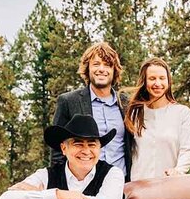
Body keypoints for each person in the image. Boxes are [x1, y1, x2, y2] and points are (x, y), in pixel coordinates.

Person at [0, 114, 124, 199]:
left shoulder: (113, 174)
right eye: (78, 144)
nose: (86, 151)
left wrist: (44, 196)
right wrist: (58, 197)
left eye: (92, 144)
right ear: (64, 148)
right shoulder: (46, 175)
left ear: (99, 148)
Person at [52, 42, 133, 179]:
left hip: (121, 184)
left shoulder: (127, 104)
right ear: (87, 68)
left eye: (107, 65)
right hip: (82, 184)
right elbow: (57, 149)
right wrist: (59, 183)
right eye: (96, 64)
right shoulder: (69, 101)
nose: (101, 69)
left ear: (114, 71)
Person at [122, 57, 190, 180]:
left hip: (169, 185)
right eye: (152, 78)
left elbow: (187, 150)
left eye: (162, 78)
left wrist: (178, 170)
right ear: (144, 82)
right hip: (139, 186)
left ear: (168, 81)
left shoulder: (182, 112)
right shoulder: (134, 113)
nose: (157, 83)